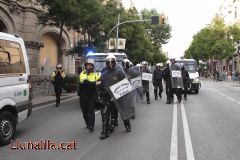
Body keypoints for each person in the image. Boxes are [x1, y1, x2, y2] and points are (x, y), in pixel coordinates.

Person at [99, 54, 134, 140]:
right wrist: (100, 89)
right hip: (107, 95)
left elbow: (125, 82)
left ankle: (127, 125)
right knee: (105, 112)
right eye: (109, 62)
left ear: (115, 62)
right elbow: (100, 82)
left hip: (118, 94)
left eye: (112, 62)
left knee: (122, 110)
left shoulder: (119, 71)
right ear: (106, 63)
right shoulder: (103, 72)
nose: (110, 64)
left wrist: (122, 92)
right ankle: (105, 131)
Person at [79, 59, 101, 132]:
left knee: (91, 109)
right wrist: (95, 83)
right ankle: (88, 123)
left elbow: (100, 81)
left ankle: (91, 125)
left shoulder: (95, 74)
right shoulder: (83, 73)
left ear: (93, 66)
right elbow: (85, 83)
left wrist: (95, 83)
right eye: (88, 65)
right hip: (83, 94)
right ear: (86, 66)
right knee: (84, 111)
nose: (89, 66)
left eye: (91, 65)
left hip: (92, 94)